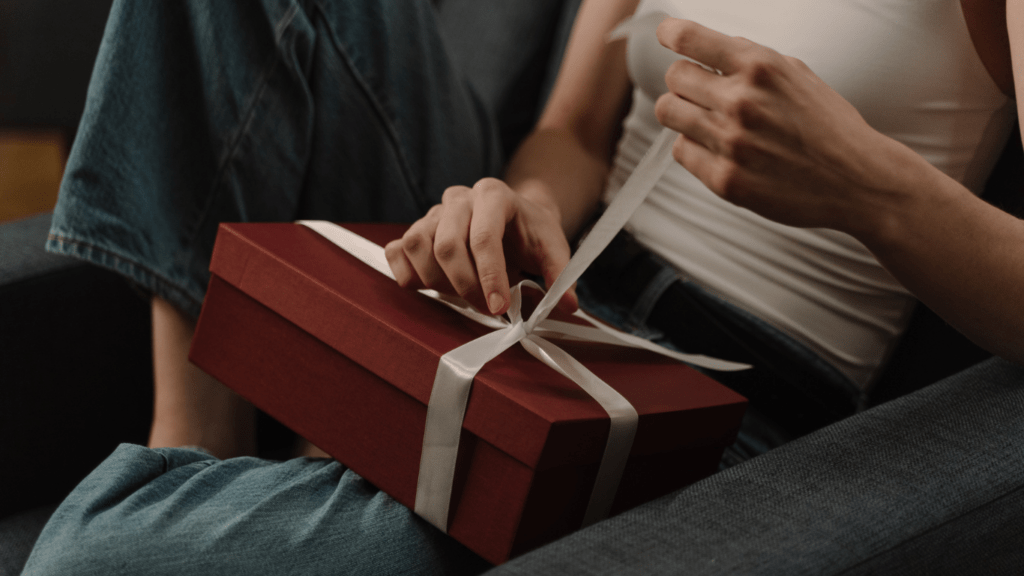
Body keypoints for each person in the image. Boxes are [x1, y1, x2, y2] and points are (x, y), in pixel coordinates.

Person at [22, 0, 1023, 573]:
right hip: (546, 295)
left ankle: (256, 472)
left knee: (87, 560)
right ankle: (194, 445)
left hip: (715, 407)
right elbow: (575, 131)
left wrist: (871, 187)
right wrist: (520, 200)